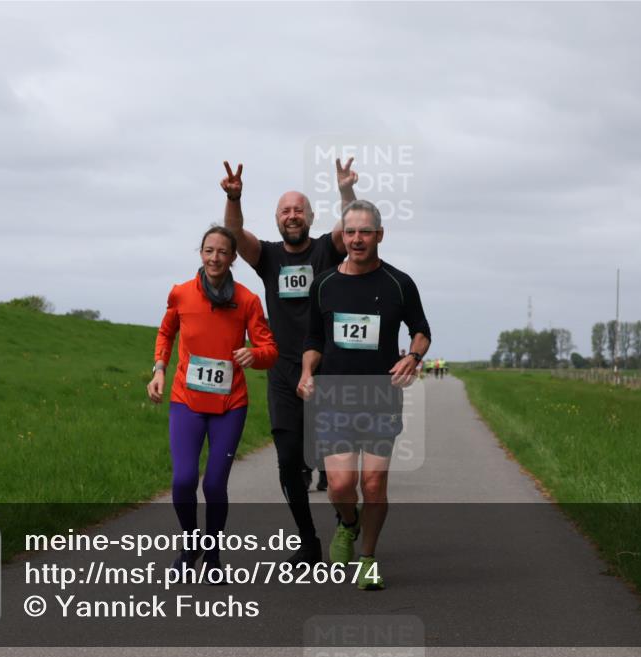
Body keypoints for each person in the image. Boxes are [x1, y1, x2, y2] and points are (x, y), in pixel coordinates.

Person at [221, 158, 356, 565]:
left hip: (328, 372)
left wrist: (346, 191)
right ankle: (308, 541)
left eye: (299, 210)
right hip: (283, 374)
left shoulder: (326, 251)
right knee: (288, 463)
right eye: (285, 210)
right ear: (277, 219)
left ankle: (347, 524)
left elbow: (351, 226)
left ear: (311, 217)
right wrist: (233, 197)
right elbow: (231, 234)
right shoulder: (268, 257)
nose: (292, 215)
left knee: (335, 466)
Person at [297, 200, 431, 590]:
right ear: (344, 235)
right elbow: (313, 340)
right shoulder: (323, 284)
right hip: (335, 399)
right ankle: (348, 523)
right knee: (340, 486)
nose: (357, 239)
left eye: (365, 232)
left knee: (373, 485)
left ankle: (368, 558)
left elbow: (421, 330)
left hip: (379, 398)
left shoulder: (398, 284)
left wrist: (413, 357)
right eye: (351, 232)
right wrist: (307, 372)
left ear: (379, 235)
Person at [147, 226, 278, 579]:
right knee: (184, 480)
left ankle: (213, 553)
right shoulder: (181, 294)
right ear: (200, 253)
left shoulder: (248, 300)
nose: (214, 257)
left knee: (215, 484)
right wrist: (159, 369)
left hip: (230, 405)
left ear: (233, 257)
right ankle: (190, 545)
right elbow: (166, 332)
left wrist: (255, 354)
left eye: (222, 252)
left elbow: (269, 350)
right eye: (208, 250)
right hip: (186, 401)